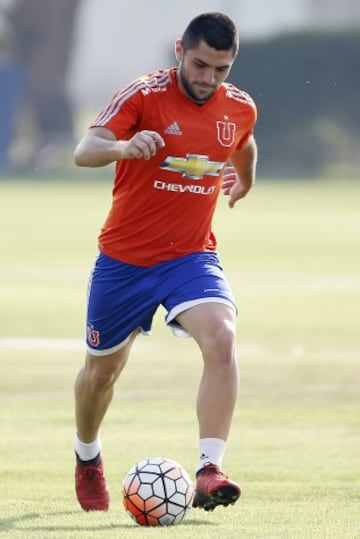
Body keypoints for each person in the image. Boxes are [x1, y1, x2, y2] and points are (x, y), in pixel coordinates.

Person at [73, 11, 257, 513]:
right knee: (101, 374)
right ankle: (87, 455)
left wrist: (245, 180)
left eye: (221, 70)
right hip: (124, 261)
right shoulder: (143, 95)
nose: (208, 79)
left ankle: (209, 468)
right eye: (200, 65)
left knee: (222, 338)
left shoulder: (238, 107)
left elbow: (243, 144)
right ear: (180, 50)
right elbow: (84, 150)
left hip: (191, 256)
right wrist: (124, 146)